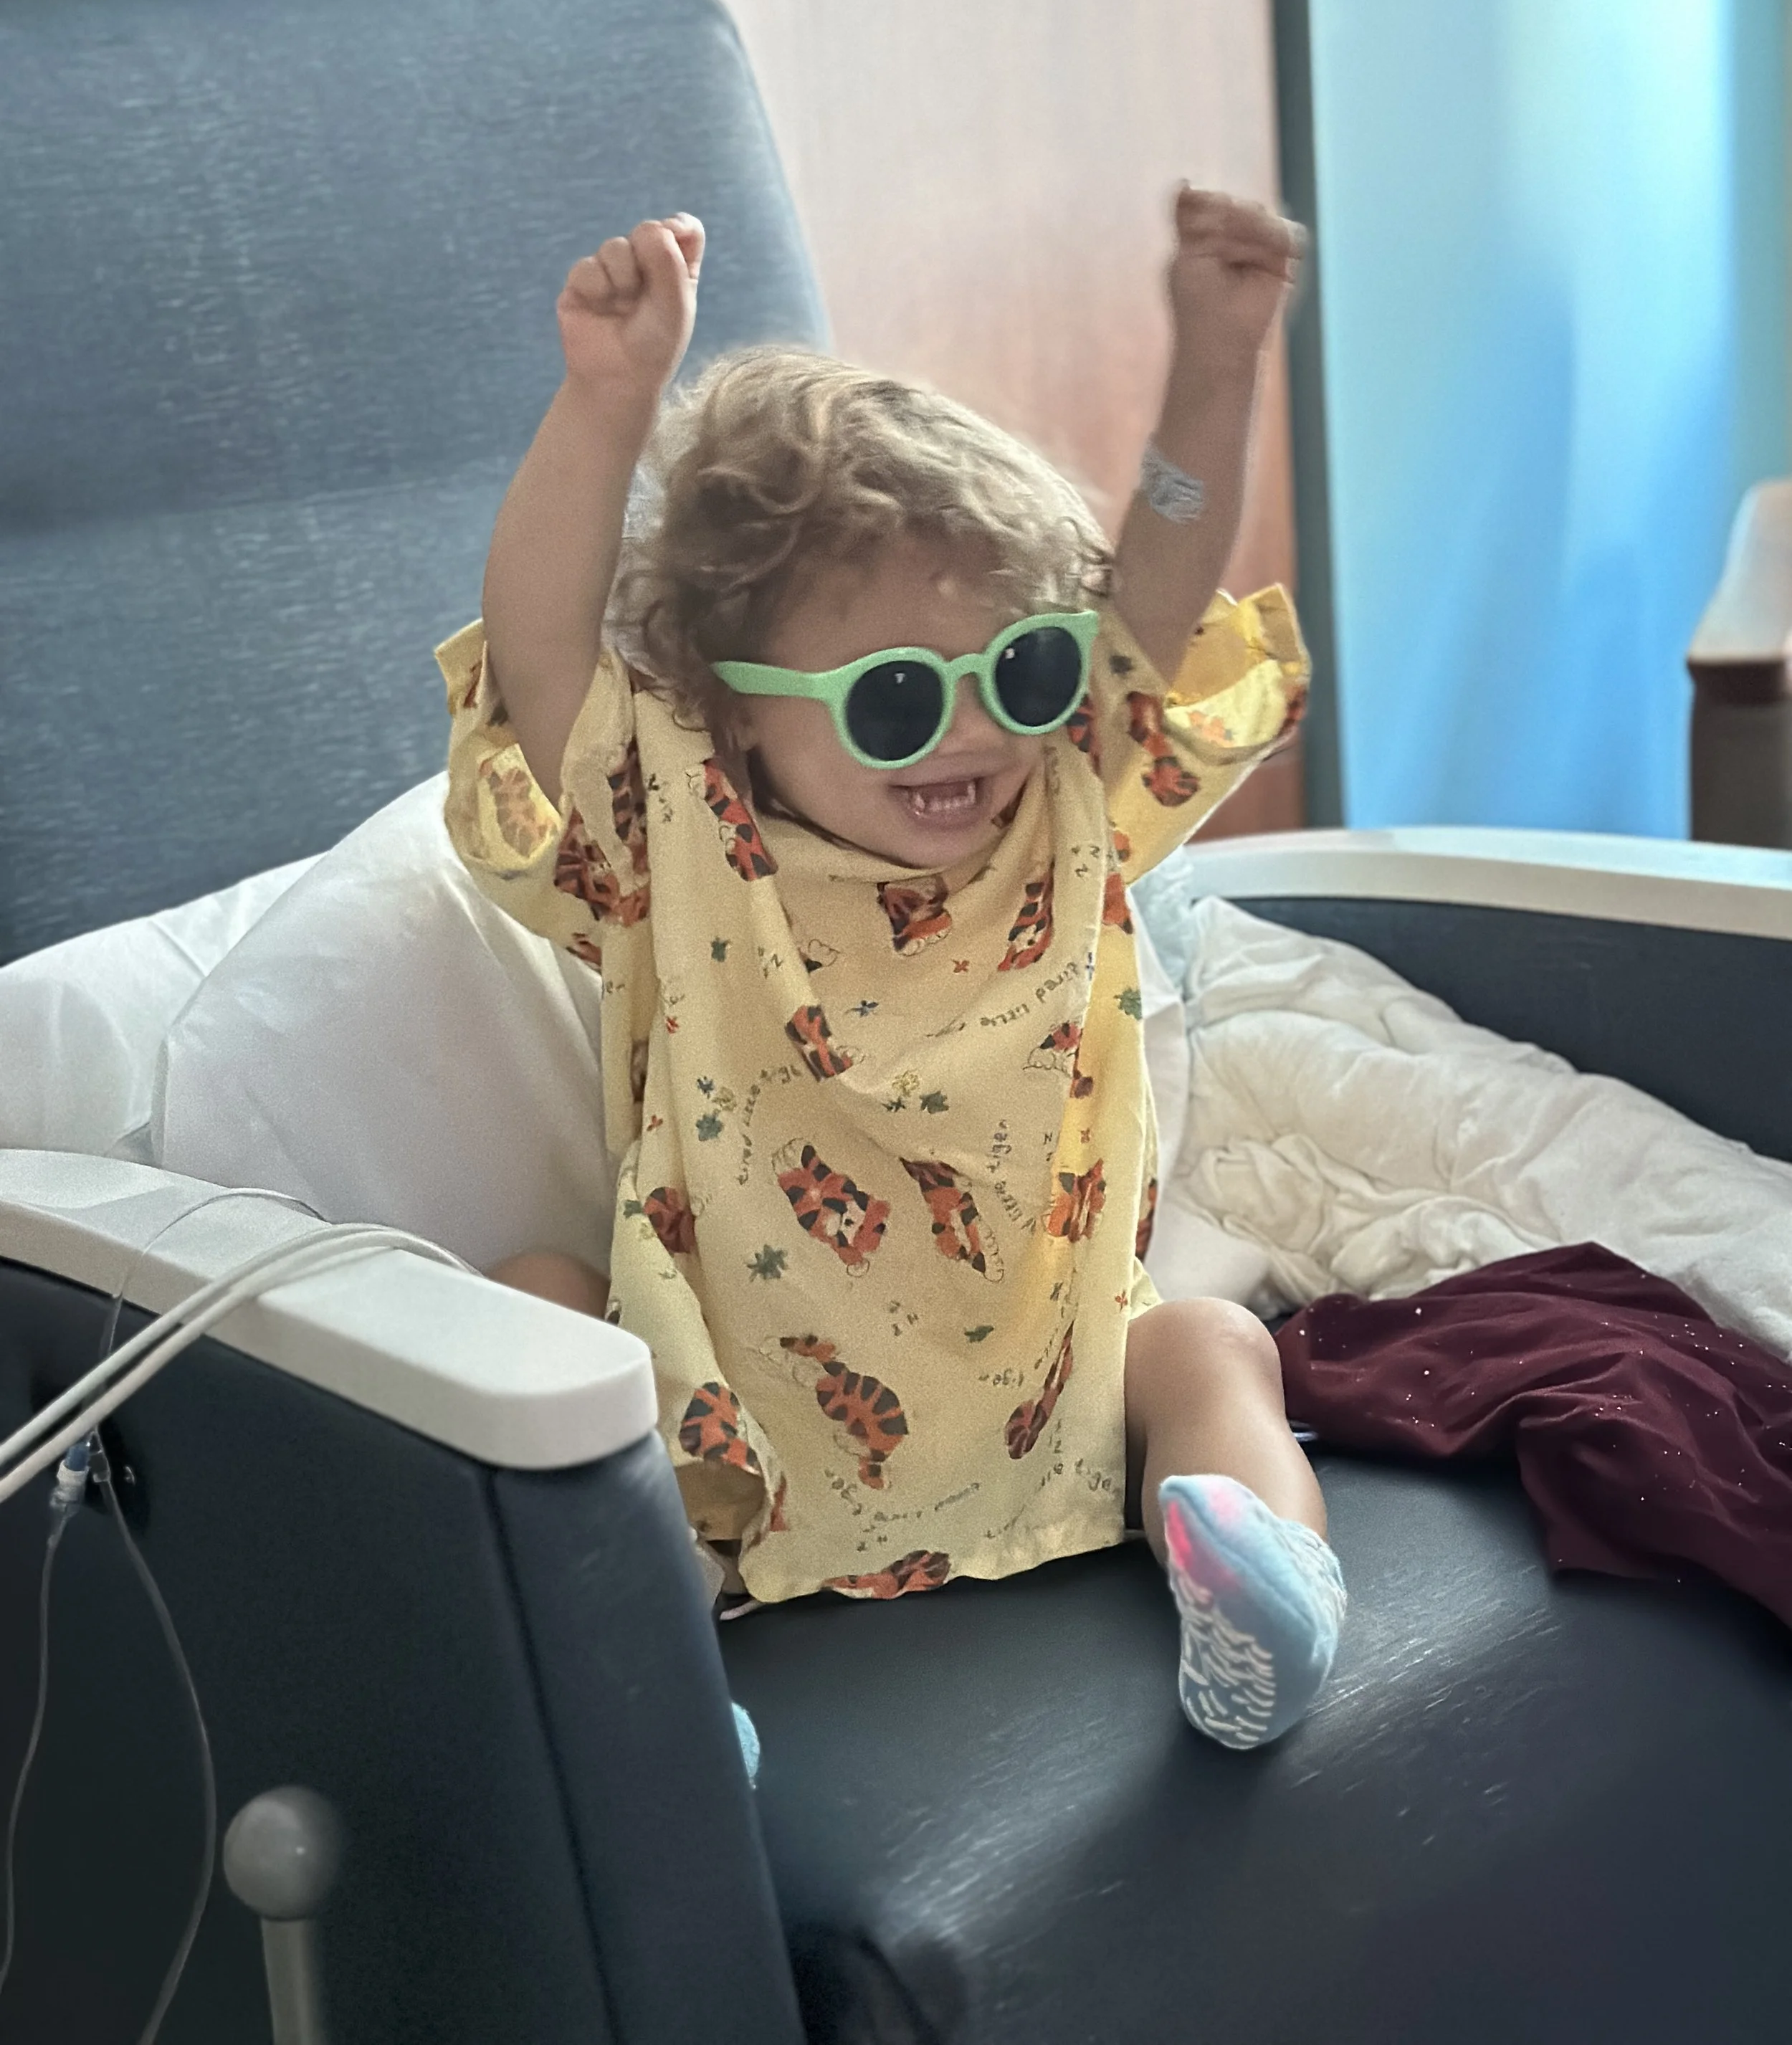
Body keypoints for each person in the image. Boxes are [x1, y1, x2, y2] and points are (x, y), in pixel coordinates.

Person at [436, 188, 1343, 1750]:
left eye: (1024, 665)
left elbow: (1160, 585)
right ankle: (648, 1677)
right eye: (891, 699)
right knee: (530, 1312)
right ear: (730, 707)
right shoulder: (679, 836)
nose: (976, 729)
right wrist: (606, 403)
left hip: (1041, 1388)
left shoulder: (1063, 799)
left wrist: (1217, 354)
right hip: (740, 1411)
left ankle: (1270, 1585)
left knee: (1206, 1343)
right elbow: (538, 652)